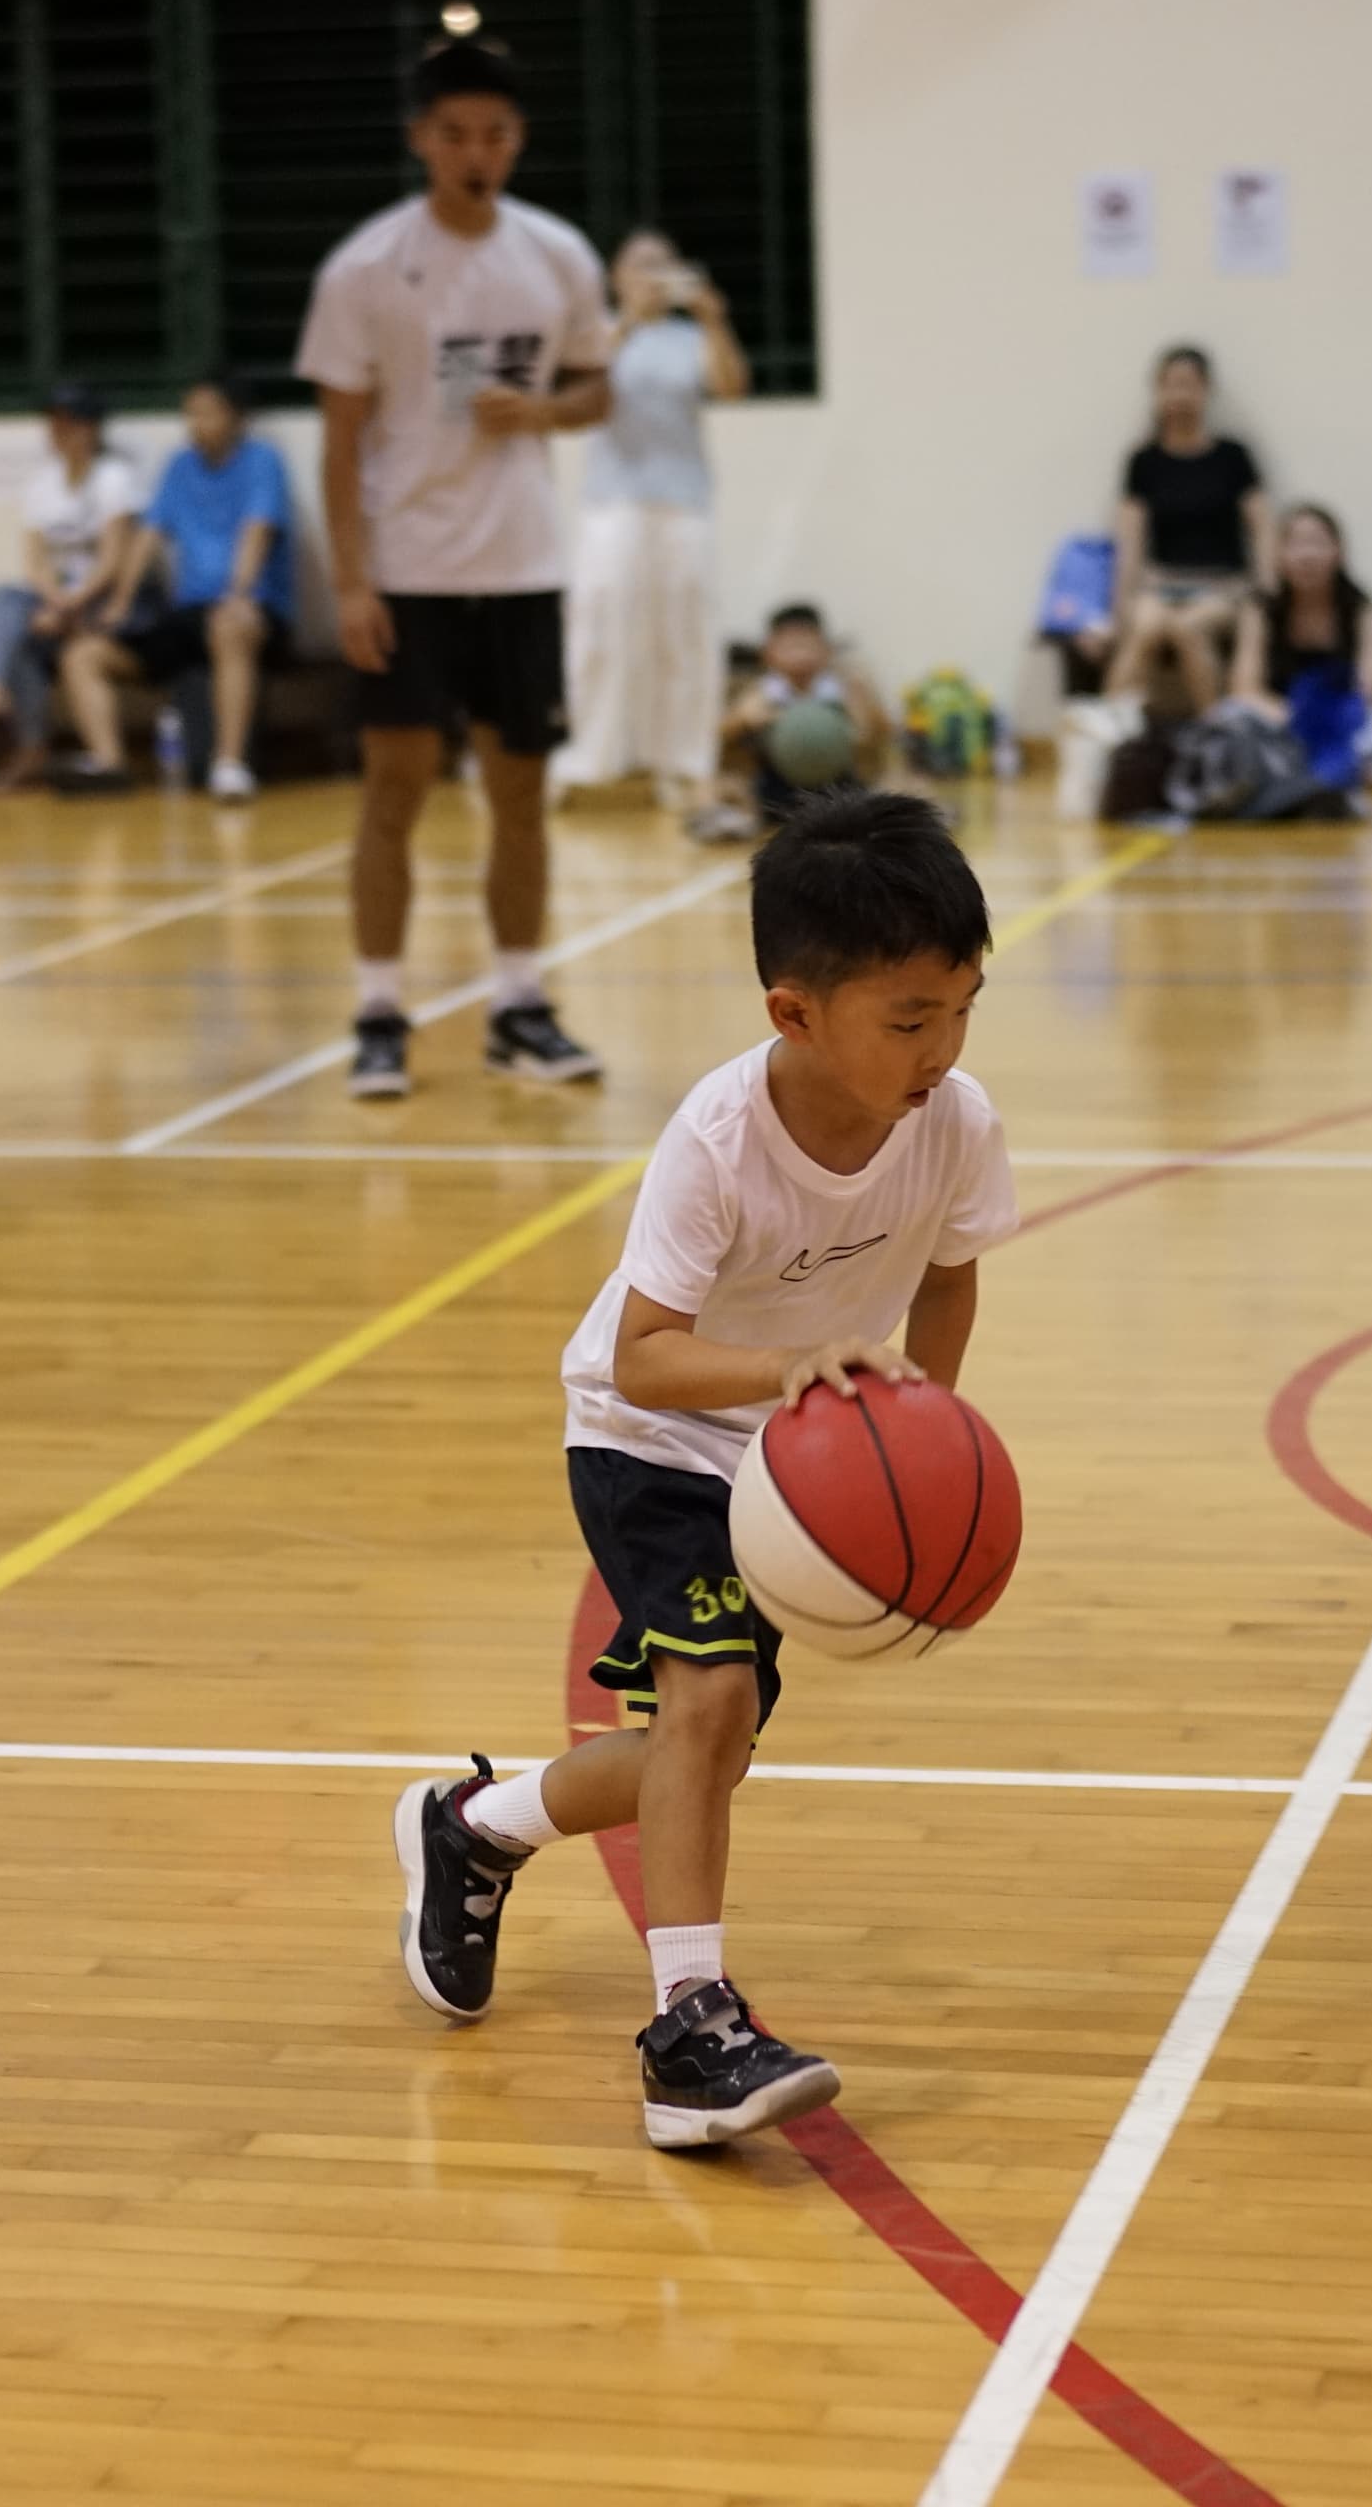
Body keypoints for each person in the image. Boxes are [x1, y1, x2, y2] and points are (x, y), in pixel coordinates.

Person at [389, 789, 1013, 2148]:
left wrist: (919, 1436)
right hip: (653, 1439)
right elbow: (646, 1357)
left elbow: (950, 1285)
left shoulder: (955, 1121)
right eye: (909, 1020)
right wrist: (793, 1378)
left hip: (794, 1461)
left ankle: (476, 1825)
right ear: (796, 1013)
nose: (941, 1048)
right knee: (711, 1698)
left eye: (962, 1007)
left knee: (700, 1750)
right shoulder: (719, 1139)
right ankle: (689, 2032)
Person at [298, 32, 611, 1101]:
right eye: (455, 135)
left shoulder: (560, 254)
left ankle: (519, 1002)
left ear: (516, 139)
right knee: (395, 789)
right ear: (421, 141)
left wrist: (546, 410)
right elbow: (338, 441)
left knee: (519, 793)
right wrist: (349, 581)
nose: (477, 153)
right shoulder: (366, 269)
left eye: (495, 134)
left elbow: (596, 391)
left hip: (521, 570)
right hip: (409, 573)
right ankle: (380, 1008)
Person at [555, 231, 748, 823]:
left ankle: (685, 761)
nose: (655, 276)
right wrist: (628, 324)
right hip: (613, 502)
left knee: (685, 629)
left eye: (665, 265)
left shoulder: (691, 339)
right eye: (642, 266)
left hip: (683, 502)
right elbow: (570, 391)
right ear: (617, 276)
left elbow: (732, 387)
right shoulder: (599, 334)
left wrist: (716, 322)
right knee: (604, 622)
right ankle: (597, 756)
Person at [111, 369, 296, 802]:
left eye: (208, 413)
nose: (197, 424)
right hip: (188, 612)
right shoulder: (178, 465)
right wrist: (119, 601)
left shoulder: (262, 460)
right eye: (190, 414)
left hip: (254, 608)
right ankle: (110, 766)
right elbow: (148, 535)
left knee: (229, 627)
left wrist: (238, 594)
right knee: (88, 654)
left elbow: (257, 531)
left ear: (237, 417)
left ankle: (229, 765)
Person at [0, 382, 147, 792]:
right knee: (5, 604)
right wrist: (53, 600)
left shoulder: (114, 478)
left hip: (101, 601)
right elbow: (35, 562)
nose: (57, 431)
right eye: (52, 422)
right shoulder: (42, 484)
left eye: (67, 422)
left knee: (28, 631)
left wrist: (70, 607)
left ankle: (13, 717)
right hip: (57, 599)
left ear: (91, 428)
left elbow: (115, 560)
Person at [1097, 346, 1266, 716]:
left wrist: (1266, 595)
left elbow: (1263, 530)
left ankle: (1217, 740)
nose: (1179, 396)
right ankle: (1105, 742)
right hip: (1162, 584)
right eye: (1170, 386)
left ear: (1207, 390)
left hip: (1223, 586)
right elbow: (1131, 542)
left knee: (1188, 628)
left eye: (1189, 385)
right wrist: (1119, 608)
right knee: (1144, 628)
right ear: (1158, 392)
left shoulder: (1233, 456)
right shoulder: (1144, 462)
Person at [1228, 504, 1372, 800]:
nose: (1307, 556)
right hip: (1282, 724)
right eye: (1296, 544)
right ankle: (1350, 772)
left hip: (1344, 726)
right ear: (1279, 555)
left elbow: (1366, 692)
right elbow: (1244, 688)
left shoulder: (1364, 611)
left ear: (1338, 552)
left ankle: (1307, 771)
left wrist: (1329, 726)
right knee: (1232, 714)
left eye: (1317, 543)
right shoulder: (1259, 609)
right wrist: (1297, 719)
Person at [719, 602, 890, 828]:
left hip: (836, 779)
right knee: (743, 790)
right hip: (778, 780)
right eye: (790, 648)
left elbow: (878, 732)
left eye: (808, 646)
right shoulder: (763, 691)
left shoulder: (841, 688)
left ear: (826, 652)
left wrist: (860, 719)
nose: (800, 656)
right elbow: (723, 732)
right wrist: (745, 720)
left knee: (867, 798)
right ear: (769, 654)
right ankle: (739, 819)